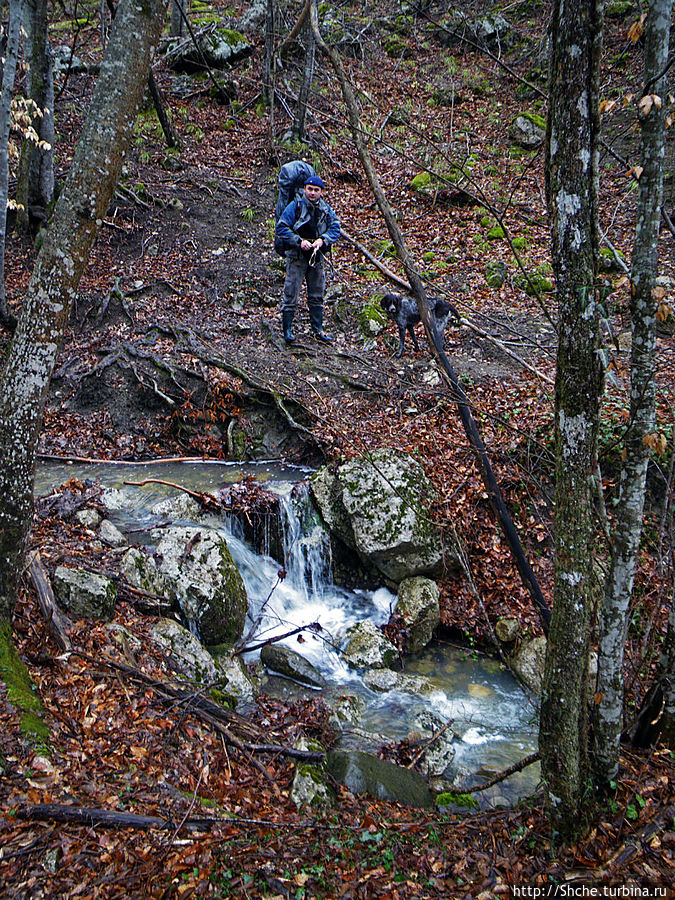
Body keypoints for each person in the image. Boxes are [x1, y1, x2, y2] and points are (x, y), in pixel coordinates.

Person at [275, 175, 341, 344]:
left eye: (316, 190)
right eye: (309, 189)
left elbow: (336, 227)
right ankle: (287, 331)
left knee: (317, 294)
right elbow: (281, 227)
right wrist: (299, 241)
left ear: (322, 192)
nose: (312, 193)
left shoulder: (325, 209)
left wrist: (323, 240)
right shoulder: (295, 206)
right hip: (297, 256)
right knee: (291, 293)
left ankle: (318, 330)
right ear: (304, 189)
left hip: (316, 256)